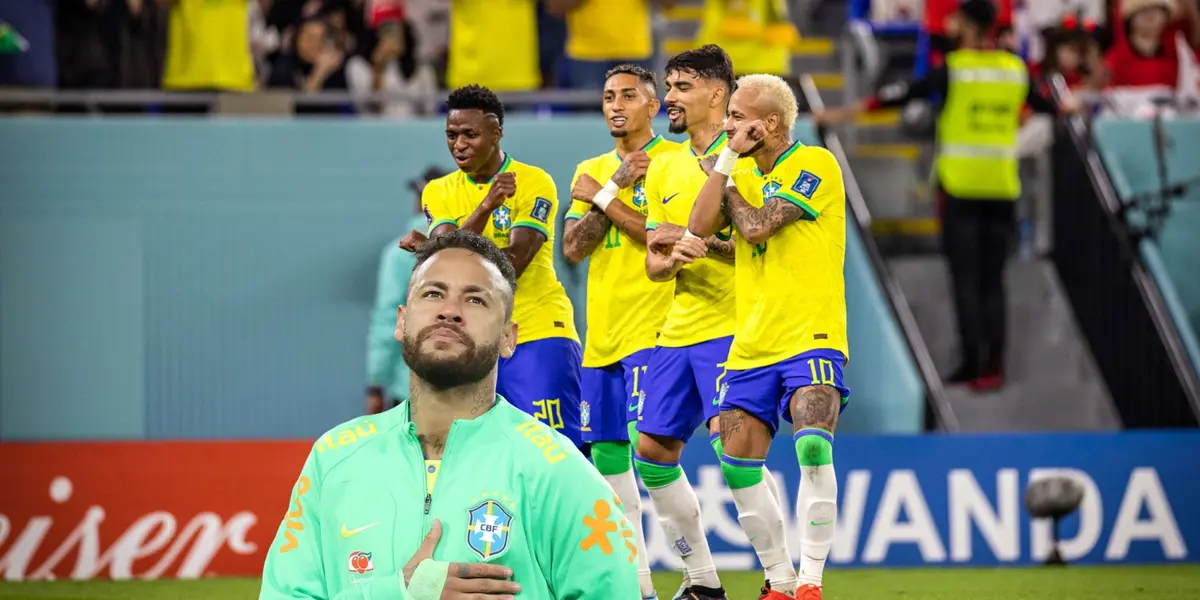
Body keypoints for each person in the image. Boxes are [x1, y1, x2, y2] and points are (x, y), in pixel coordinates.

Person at [260, 230, 640, 600]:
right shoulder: (334, 460)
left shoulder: (559, 471)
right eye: (433, 293)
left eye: (475, 300)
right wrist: (402, 594)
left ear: (509, 337)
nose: (449, 311)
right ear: (401, 321)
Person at [816, 0, 1079, 391]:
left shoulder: (955, 70)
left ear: (971, 28)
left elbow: (898, 95)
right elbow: (1053, 107)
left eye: (957, 20)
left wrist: (838, 115)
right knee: (993, 282)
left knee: (965, 280)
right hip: (1002, 189)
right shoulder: (1014, 70)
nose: (949, 25)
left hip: (958, 189)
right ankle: (994, 367)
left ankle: (973, 363)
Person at [689, 74, 850, 600]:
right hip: (752, 343)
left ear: (770, 123)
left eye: (737, 115)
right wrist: (696, 242)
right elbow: (715, 231)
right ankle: (778, 579)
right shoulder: (748, 176)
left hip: (810, 334)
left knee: (811, 449)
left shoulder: (814, 164)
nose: (728, 124)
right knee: (737, 467)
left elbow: (757, 227)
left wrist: (726, 173)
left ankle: (810, 581)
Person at [638, 45, 790, 600]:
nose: (669, 98)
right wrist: (668, 257)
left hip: (736, 324)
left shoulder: (753, 162)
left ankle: (782, 580)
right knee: (652, 454)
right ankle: (701, 581)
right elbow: (653, 262)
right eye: (669, 87)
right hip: (677, 330)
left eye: (681, 87)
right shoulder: (662, 165)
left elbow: (761, 245)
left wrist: (706, 248)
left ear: (718, 94)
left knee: (736, 454)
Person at [398, 85, 585, 449]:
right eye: (452, 135)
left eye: (471, 134)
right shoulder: (439, 190)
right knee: (479, 450)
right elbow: (451, 263)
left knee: (555, 450)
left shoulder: (533, 182)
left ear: (496, 132)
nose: (460, 144)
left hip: (538, 331)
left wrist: (433, 248)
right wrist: (487, 206)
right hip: (474, 343)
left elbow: (512, 264)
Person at [560, 63, 679, 600]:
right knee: (609, 464)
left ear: (652, 107)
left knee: (651, 455)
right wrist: (611, 184)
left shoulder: (675, 164)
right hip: (601, 338)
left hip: (653, 332)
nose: (615, 105)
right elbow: (574, 247)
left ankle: (702, 578)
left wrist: (606, 196)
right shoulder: (590, 168)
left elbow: (654, 239)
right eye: (608, 96)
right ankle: (639, 586)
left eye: (628, 96)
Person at [367, 167, 450, 415]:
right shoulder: (472, 248)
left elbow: (388, 318)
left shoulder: (398, 253)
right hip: (468, 382)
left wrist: (376, 383)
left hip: (409, 384)